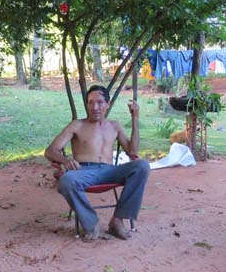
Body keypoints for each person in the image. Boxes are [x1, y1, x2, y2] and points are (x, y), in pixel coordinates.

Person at [45, 85, 151, 241]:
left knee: (142, 166)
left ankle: (117, 220)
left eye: (100, 102)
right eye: (90, 102)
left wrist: (135, 119)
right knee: (66, 180)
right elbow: (50, 151)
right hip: (84, 172)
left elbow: (133, 152)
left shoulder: (115, 126)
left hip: (110, 171)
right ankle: (91, 223)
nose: (95, 107)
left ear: (108, 104)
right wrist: (65, 160)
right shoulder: (77, 125)